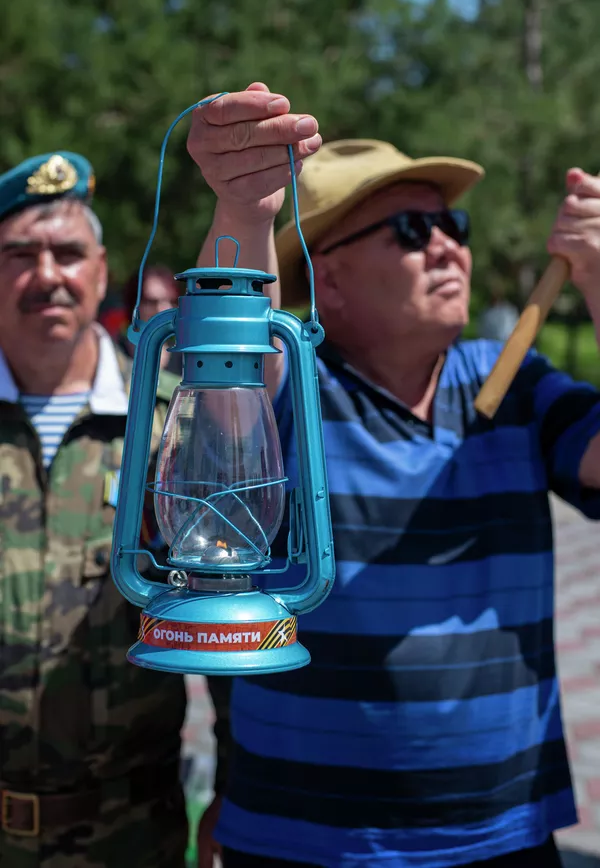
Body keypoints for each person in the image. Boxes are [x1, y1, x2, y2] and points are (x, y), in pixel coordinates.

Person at [187, 84, 600, 868]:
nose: (447, 246)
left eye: (453, 225)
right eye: (412, 229)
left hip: (507, 837)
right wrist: (243, 209)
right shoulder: (292, 388)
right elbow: (231, 370)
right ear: (331, 280)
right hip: (303, 842)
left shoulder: (513, 382)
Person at [0, 151, 188, 867]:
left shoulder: (168, 423)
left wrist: (237, 786)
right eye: (21, 255)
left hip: (131, 838)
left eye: (69, 254)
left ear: (103, 272)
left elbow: (227, 598)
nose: (47, 275)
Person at [119, 264, 183, 374]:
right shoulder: (113, 355)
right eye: (152, 302)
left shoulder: (188, 362)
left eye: (172, 301)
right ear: (134, 305)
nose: (163, 309)